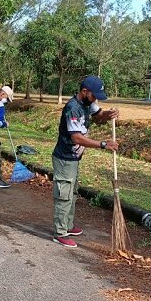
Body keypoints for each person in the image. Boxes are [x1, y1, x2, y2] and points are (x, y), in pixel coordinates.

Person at [52, 75, 119, 248]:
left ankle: (68, 225)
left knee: (72, 193)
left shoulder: (88, 103)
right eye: (94, 95)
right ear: (84, 91)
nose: (95, 99)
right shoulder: (73, 108)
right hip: (65, 158)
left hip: (74, 158)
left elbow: (99, 115)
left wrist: (109, 114)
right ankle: (60, 233)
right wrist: (103, 144)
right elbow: (76, 138)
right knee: (64, 196)